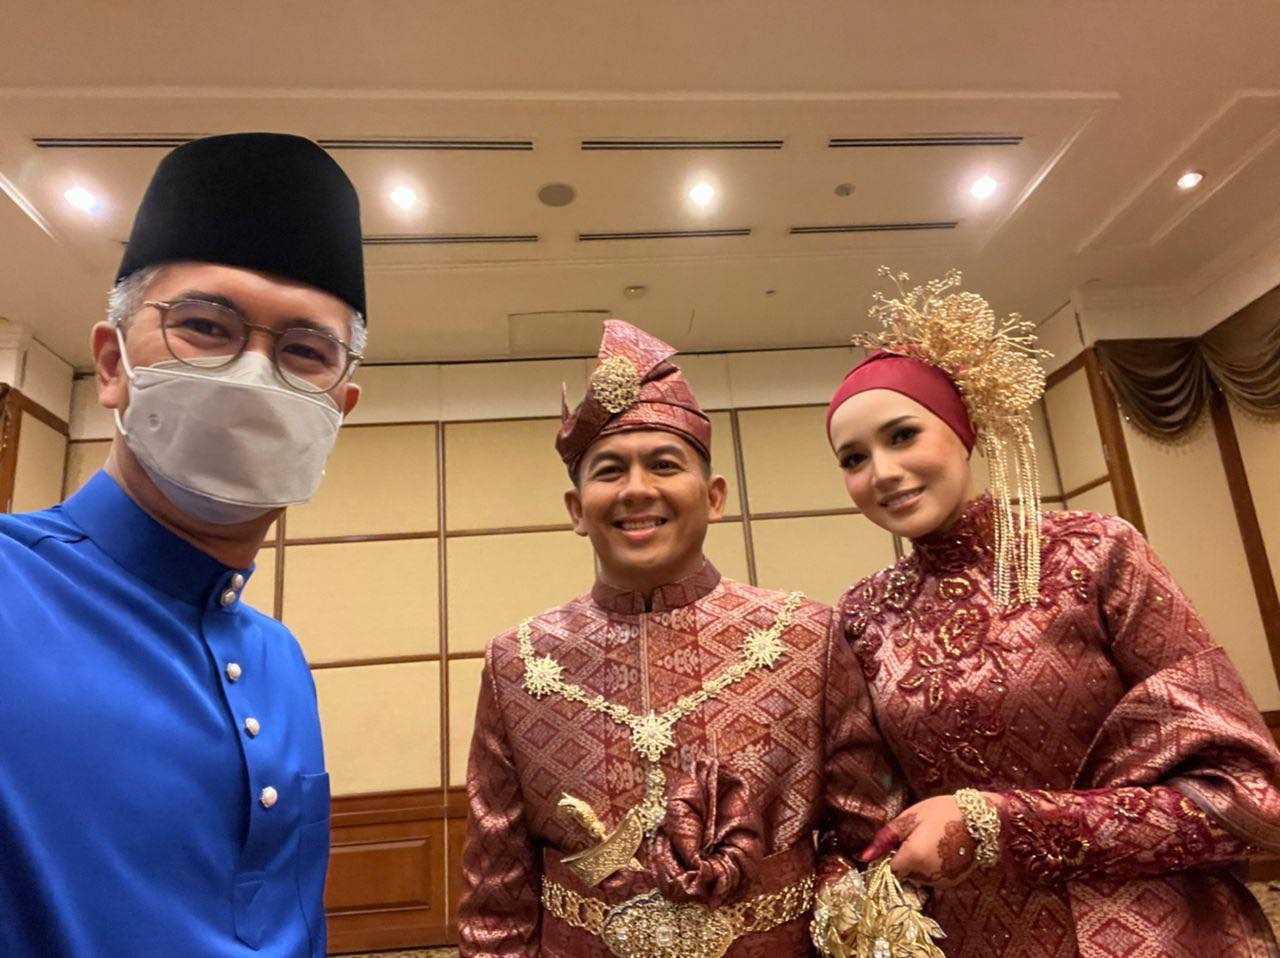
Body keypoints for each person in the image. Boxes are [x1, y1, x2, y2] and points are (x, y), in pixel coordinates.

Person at [824, 268, 1280, 956]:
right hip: (974, 939)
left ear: (962, 430)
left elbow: (1247, 796)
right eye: (853, 458)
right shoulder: (863, 613)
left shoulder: (1093, 552)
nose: (881, 472)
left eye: (903, 435)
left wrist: (1003, 825)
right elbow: (864, 817)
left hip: (1156, 934)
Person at [0, 133, 366, 956]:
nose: (254, 377)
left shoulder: (279, 660)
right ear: (112, 363)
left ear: (338, 410)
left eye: (305, 351)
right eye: (205, 326)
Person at [457, 319, 901, 957]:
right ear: (576, 510)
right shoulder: (518, 660)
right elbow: (496, 886)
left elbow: (866, 835)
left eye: (664, 465)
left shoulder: (807, 634)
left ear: (714, 497)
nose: (637, 489)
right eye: (609, 470)